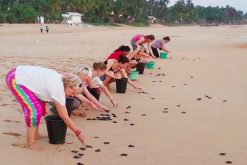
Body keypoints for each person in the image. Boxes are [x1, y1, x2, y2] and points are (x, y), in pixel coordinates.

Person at [5, 66, 85, 151]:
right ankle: (30, 143)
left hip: (20, 75)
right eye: (73, 92)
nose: (72, 95)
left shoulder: (62, 81)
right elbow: (64, 116)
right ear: (69, 85)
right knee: (34, 111)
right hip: (15, 79)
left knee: (41, 108)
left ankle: (36, 134)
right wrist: (78, 133)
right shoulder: (58, 88)